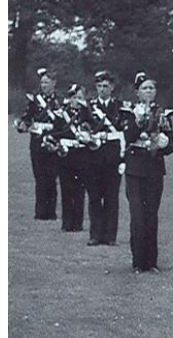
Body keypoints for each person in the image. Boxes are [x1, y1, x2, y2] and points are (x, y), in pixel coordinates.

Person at [121, 71, 173, 273]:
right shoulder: (129, 112)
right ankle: (138, 261)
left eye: (151, 88)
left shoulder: (163, 114)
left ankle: (151, 262)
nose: (148, 91)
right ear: (137, 92)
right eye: (144, 88)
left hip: (154, 169)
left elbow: (171, 146)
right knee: (137, 215)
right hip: (135, 169)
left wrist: (164, 142)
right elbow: (127, 136)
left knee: (152, 214)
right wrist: (140, 121)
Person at [50, 83, 101, 234]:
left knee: (79, 190)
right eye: (73, 97)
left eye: (79, 98)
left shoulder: (88, 114)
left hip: (82, 155)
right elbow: (56, 132)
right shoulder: (62, 114)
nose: (76, 100)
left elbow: (95, 128)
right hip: (66, 154)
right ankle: (67, 222)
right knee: (66, 189)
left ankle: (77, 223)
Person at [14, 67, 62, 220]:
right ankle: (40, 212)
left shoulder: (60, 100)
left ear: (54, 83)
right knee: (39, 177)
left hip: (53, 139)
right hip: (37, 140)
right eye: (42, 83)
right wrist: (22, 125)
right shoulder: (35, 100)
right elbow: (27, 118)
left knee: (52, 176)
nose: (44, 85)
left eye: (47, 82)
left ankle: (51, 212)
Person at [87, 70, 126, 246]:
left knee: (111, 197)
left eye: (106, 86)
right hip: (93, 156)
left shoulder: (121, 107)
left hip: (113, 156)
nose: (103, 89)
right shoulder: (88, 107)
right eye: (100, 86)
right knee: (94, 196)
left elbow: (124, 133)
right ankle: (95, 234)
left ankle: (110, 236)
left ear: (112, 87)